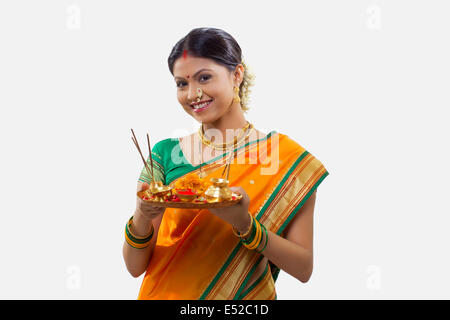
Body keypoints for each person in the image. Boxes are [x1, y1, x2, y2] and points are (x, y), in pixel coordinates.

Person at [122, 27, 329, 300]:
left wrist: (246, 226)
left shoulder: (283, 157)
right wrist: (142, 216)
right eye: (181, 83)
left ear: (237, 75)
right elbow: (135, 267)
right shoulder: (163, 153)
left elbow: (303, 269)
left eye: (204, 78)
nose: (193, 94)